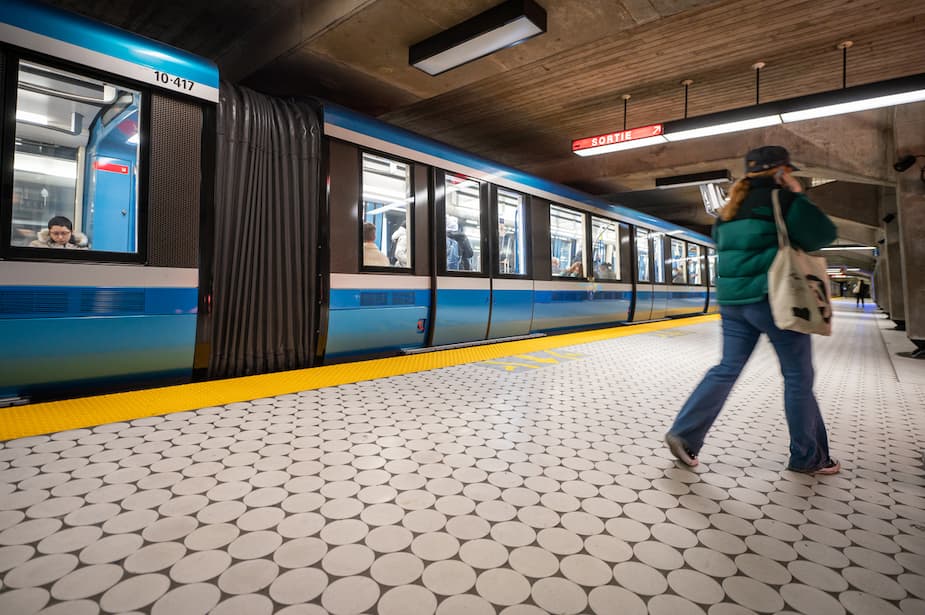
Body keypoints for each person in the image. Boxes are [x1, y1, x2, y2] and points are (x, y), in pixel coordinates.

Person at [665, 145, 840, 475]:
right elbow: (823, 234)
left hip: (732, 304)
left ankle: (685, 433)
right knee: (798, 378)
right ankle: (808, 457)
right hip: (774, 299)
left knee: (726, 368)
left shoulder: (727, 211)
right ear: (780, 172)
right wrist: (798, 195)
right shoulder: (783, 200)